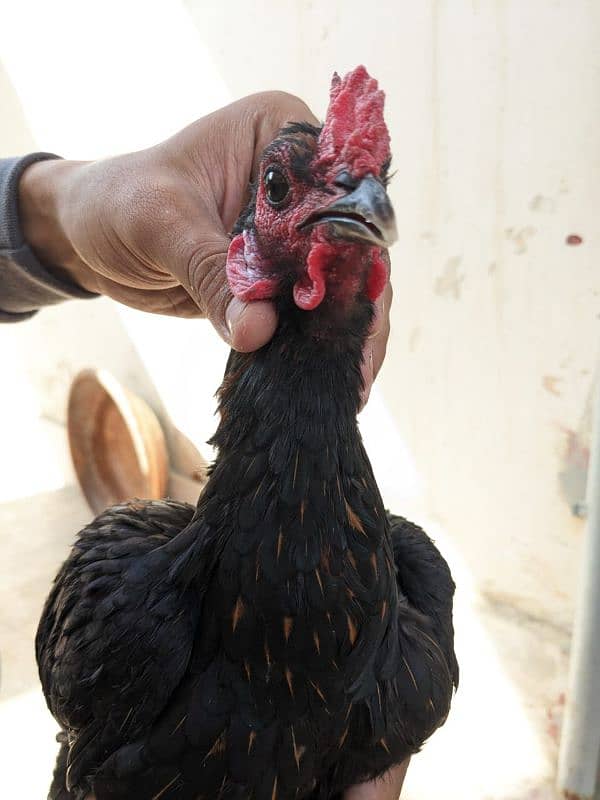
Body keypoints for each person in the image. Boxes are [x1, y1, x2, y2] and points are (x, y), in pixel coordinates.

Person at [0, 91, 404, 800]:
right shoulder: (126, 608)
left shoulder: (411, 596)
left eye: (370, 186)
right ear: (243, 238)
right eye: (280, 189)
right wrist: (65, 208)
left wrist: (56, 209)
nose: (363, 199)